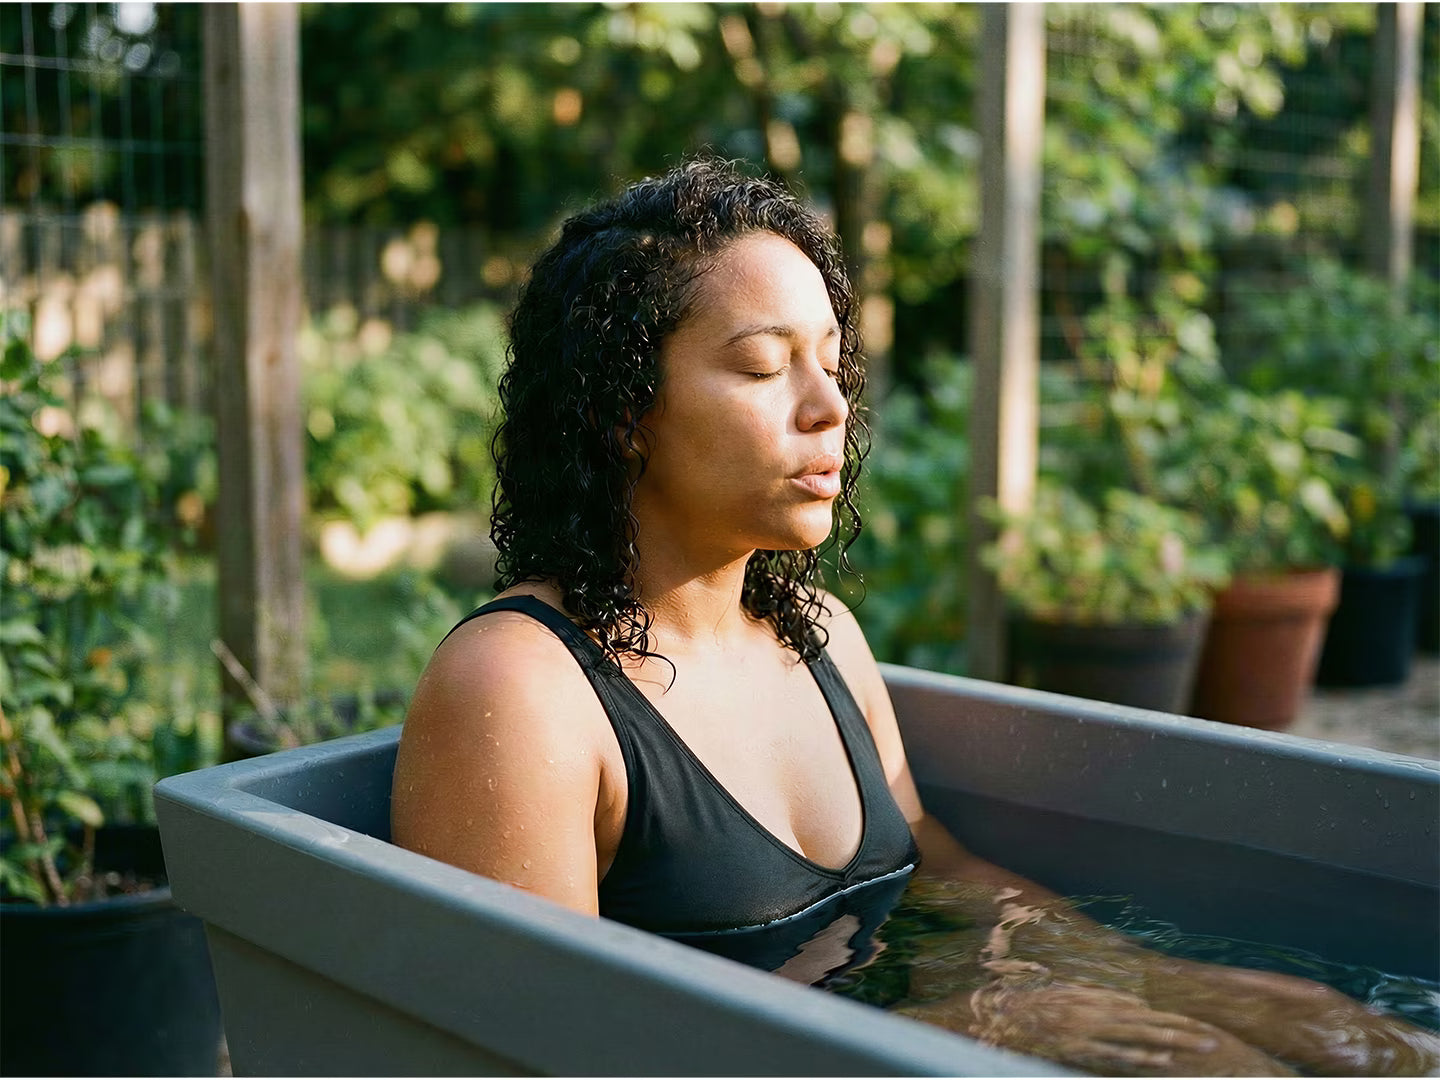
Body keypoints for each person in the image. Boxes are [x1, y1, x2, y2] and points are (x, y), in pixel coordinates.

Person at [391, 156, 1439, 1077]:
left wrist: (1177, 987)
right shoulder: (525, 691)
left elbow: (932, 870)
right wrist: (962, 1032)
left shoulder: (818, 636)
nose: (829, 404)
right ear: (623, 413)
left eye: (831, 359)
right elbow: (542, 1051)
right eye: (764, 366)